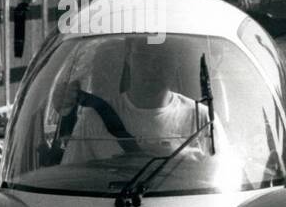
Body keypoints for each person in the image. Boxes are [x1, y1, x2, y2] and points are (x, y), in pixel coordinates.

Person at [62, 37, 201, 164]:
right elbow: (70, 177)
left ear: (177, 62)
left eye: (163, 58)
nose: (152, 67)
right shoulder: (93, 119)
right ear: (128, 57)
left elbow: (211, 174)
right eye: (143, 56)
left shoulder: (201, 119)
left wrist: (182, 157)